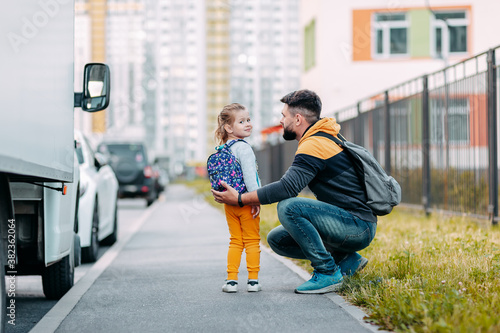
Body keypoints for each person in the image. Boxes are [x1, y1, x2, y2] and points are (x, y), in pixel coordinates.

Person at [212, 90, 377, 294]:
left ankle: (327, 273)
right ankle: (346, 260)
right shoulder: (320, 137)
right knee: (277, 239)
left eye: (284, 116)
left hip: (357, 226)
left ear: (297, 119)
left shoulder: (314, 144)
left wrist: (240, 199)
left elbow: (286, 188)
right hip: (350, 221)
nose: (281, 121)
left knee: (289, 207)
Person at [213, 103, 262, 293]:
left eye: (248, 120)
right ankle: (253, 281)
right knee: (251, 240)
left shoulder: (223, 149)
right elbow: (250, 177)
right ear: (229, 128)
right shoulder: (244, 148)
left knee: (235, 241)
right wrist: (255, 199)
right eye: (242, 121)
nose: (248, 124)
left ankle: (231, 281)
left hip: (229, 203)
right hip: (245, 201)